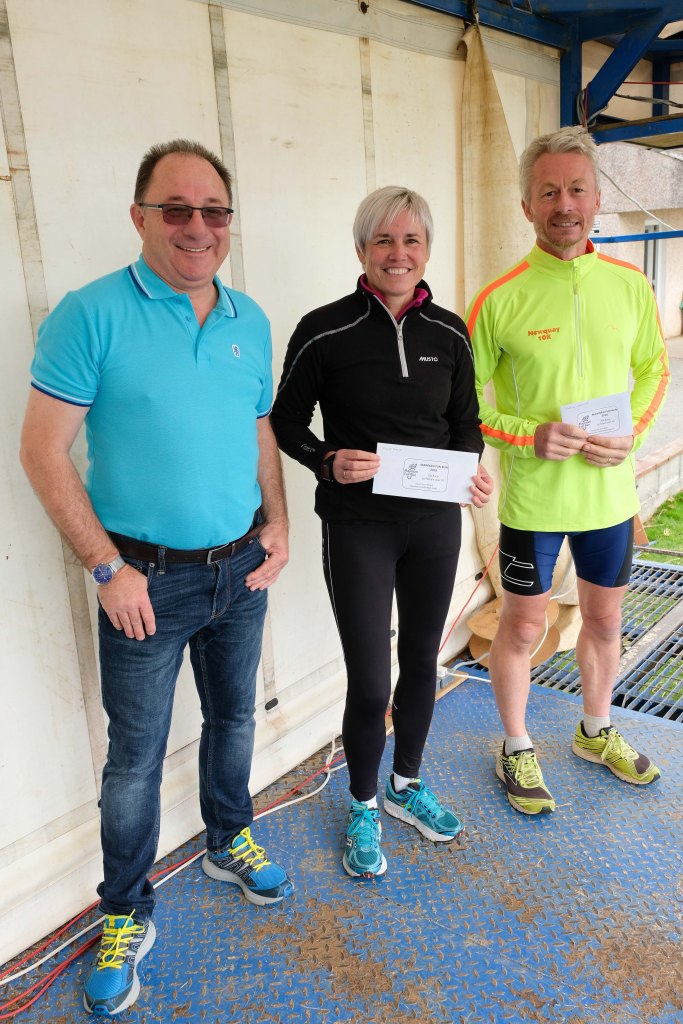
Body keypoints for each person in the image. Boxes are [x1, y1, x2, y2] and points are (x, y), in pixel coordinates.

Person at [20, 139, 293, 1016]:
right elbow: (42, 451)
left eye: (214, 211)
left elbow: (258, 431)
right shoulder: (89, 314)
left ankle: (228, 839)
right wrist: (107, 568)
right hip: (143, 581)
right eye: (176, 209)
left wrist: (278, 523)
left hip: (239, 571)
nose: (197, 227)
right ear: (139, 216)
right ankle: (125, 911)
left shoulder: (249, 318)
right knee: (134, 761)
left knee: (234, 717)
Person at [270, 186, 493, 878]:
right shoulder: (324, 329)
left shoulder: (449, 332)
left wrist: (470, 470)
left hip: (433, 525)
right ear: (362, 249)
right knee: (371, 683)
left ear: (427, 249)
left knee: (423, 662)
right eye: (384, 240)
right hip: (359, 526)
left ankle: (405, 785)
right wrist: (326, 461)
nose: (399, 254)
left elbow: (465, 423)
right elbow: (284, 421)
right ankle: (362, 802)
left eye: (411, 240)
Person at [467, 126, 670, 816]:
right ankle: (515, 744)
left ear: (596, 200)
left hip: (608, 497)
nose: (564, 204)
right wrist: (530, 435)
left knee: (605, 619)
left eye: (576, 189)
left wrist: (632, 433)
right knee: (522, 627)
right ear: (525, 205)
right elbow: (466, 403)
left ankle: (595, 729)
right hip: (533, 502)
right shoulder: (499, 299)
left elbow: (653, 370)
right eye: (548, 192)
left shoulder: (630, 285)